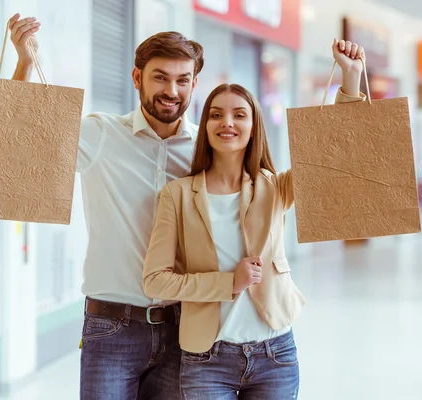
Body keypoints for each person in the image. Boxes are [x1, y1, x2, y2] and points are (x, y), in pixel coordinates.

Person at [142, 39, 367, 399]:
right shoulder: (178, 195)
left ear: (253, 126)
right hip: (207, 359)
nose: (226, 122)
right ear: (205, 125)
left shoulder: (275, 188)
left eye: (239, 114)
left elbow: (335, 157)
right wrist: (228, 282)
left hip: (274, 354)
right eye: (216, 114)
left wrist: (350, 78)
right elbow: (155, 281)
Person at [6, 13, 204, 399]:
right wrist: (25, 63)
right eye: (160, 77)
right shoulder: (100, 134)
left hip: (187, 328)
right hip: (112, 325)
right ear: (137, 78)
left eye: (183, 80)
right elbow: (21, 133)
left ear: (194, 84)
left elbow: (282, 182)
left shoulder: (207, 150)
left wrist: (350, 83)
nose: (172, 90)